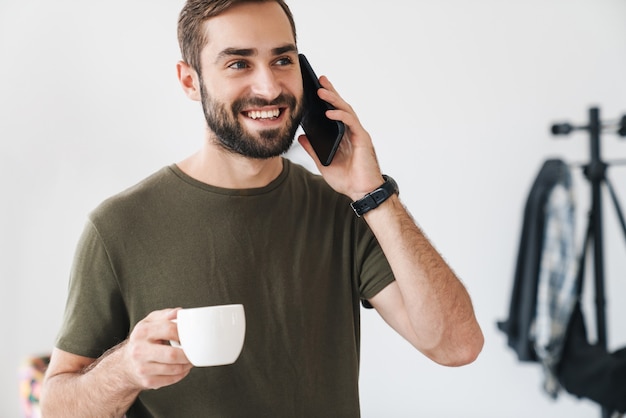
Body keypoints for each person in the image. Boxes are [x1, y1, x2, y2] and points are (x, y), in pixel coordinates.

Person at [40, 0, 484, 416]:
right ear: (190, 81)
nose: (269, 87)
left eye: (282, 60)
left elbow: (456, 345)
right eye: (238, 63)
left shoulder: (345, 209)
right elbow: (55, 406)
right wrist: (124, 371)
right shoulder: (118, 226)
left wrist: (372, 192)